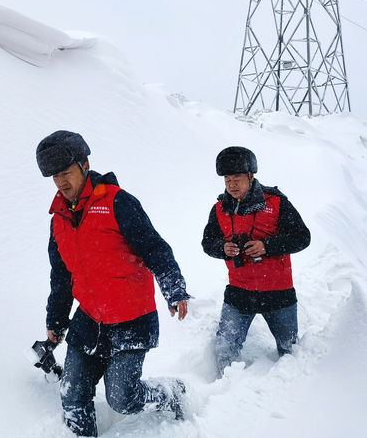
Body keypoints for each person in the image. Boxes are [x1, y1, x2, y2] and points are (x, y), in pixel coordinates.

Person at [37, 130, 190, 437]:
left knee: (123, 398)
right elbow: (61, 276)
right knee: (72, 395)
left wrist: (173, 287)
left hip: (132, 316)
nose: (61, 183)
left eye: (66, 173)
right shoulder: (59, 219)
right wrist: (56, 320)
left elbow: (154, 248)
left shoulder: (117, 202)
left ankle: (171, 393)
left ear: (85, 165)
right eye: (55, 177)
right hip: (89, 319)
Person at [201, 146, 310, 374]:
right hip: (239, 292)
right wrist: (222, 248)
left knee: (291, 353)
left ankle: (288, 391)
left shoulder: (276, 203)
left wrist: (266, 246)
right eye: (227, 180)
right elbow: (207, 242)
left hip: (278, 293)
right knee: (225, 350)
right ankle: (228, 391)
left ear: (251, 176)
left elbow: (302, 237)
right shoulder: (219, 209)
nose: (232, 185)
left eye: (237, 179)